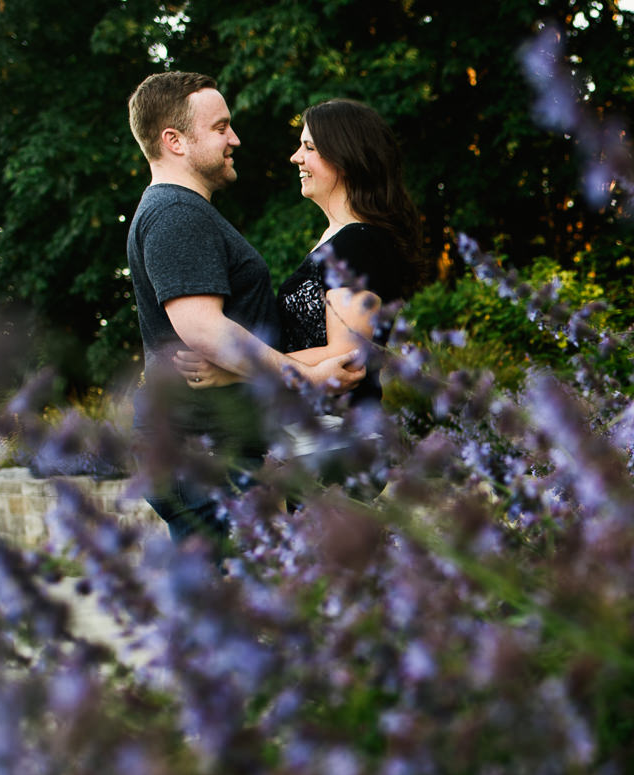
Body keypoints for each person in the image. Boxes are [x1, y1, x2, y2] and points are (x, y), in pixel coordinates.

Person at [124, 72, 363, 549]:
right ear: (174, 141)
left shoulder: (180, 210)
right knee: (227, 605)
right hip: (201, 452)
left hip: (208, 449)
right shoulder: (177, 214)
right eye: (219, 128)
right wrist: (309, 379)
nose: (234, 139)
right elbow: (203, 329)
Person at [177, 99, 427, 410]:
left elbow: (346, 353)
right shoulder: (339, 239)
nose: (296, 157)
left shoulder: (359, 242)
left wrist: (235, 372)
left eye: (309, 147)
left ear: (345, 157)